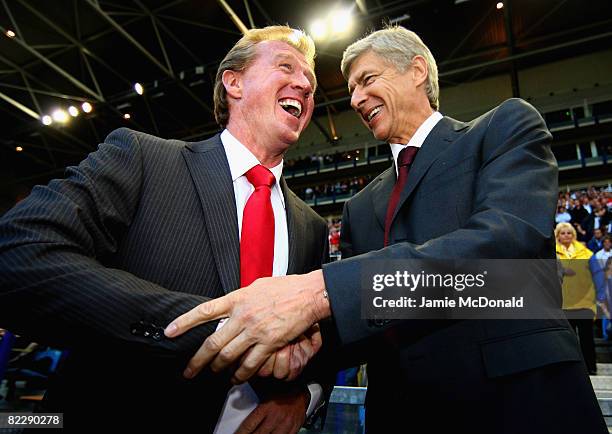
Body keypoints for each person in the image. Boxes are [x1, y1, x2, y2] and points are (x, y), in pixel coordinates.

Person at [165, 26, 608, 433]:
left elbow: (504, 258)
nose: (356, 99)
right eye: (352, 89)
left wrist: (321, 292)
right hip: (402, 414)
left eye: (367, 79)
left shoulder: (504, 127)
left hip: (520, 405)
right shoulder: (360, 207)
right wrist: (302, 390)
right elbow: (354, 320)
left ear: (417, 70)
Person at [0, 26, 329, 433]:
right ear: (234, 82)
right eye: (286, 66)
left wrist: (301, 396)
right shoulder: (143, 159)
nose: (303, 84)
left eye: (310, 82)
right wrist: (224, 330)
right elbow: (17, 254)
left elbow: (325, 344)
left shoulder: (311, 226)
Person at [555, 222, 597, 374]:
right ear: (557, 235)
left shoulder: (587, 253)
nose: (566, 235)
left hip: (584, 302)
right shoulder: (551, 254)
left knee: (587, 339)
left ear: (574, 235)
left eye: (569, 233)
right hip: (563, 303)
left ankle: (591, 367)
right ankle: (572, 371)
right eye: (562, 233)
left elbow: (596, 277)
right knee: (567, 341)